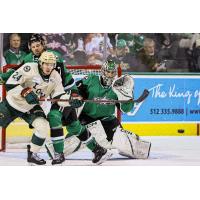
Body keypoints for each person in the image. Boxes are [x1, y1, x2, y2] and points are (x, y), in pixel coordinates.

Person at [46, 60, 151, 160]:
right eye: (108, 72)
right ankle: (57, 150)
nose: (110, 75)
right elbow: (76, 91)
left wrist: (127, 96)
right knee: (78, 138)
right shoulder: (91, 79)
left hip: (107, 119)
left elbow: (126, 109)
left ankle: (138, 148)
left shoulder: (118, 87)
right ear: (102, 71)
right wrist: (77, 97)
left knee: (120, 137)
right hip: (86, 117)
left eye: (112, 72)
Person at [0, 51, 72, 165]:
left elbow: (59, 97)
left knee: (43, 126)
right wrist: (24, 92)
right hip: (12, 104)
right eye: (46, 63)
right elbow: (10, 84)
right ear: (40, 63)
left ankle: (33, 155)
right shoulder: (29, 68)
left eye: (51, 64)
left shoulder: (55, 76)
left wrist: (70, 100)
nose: (49, 67)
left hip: (31, 107)